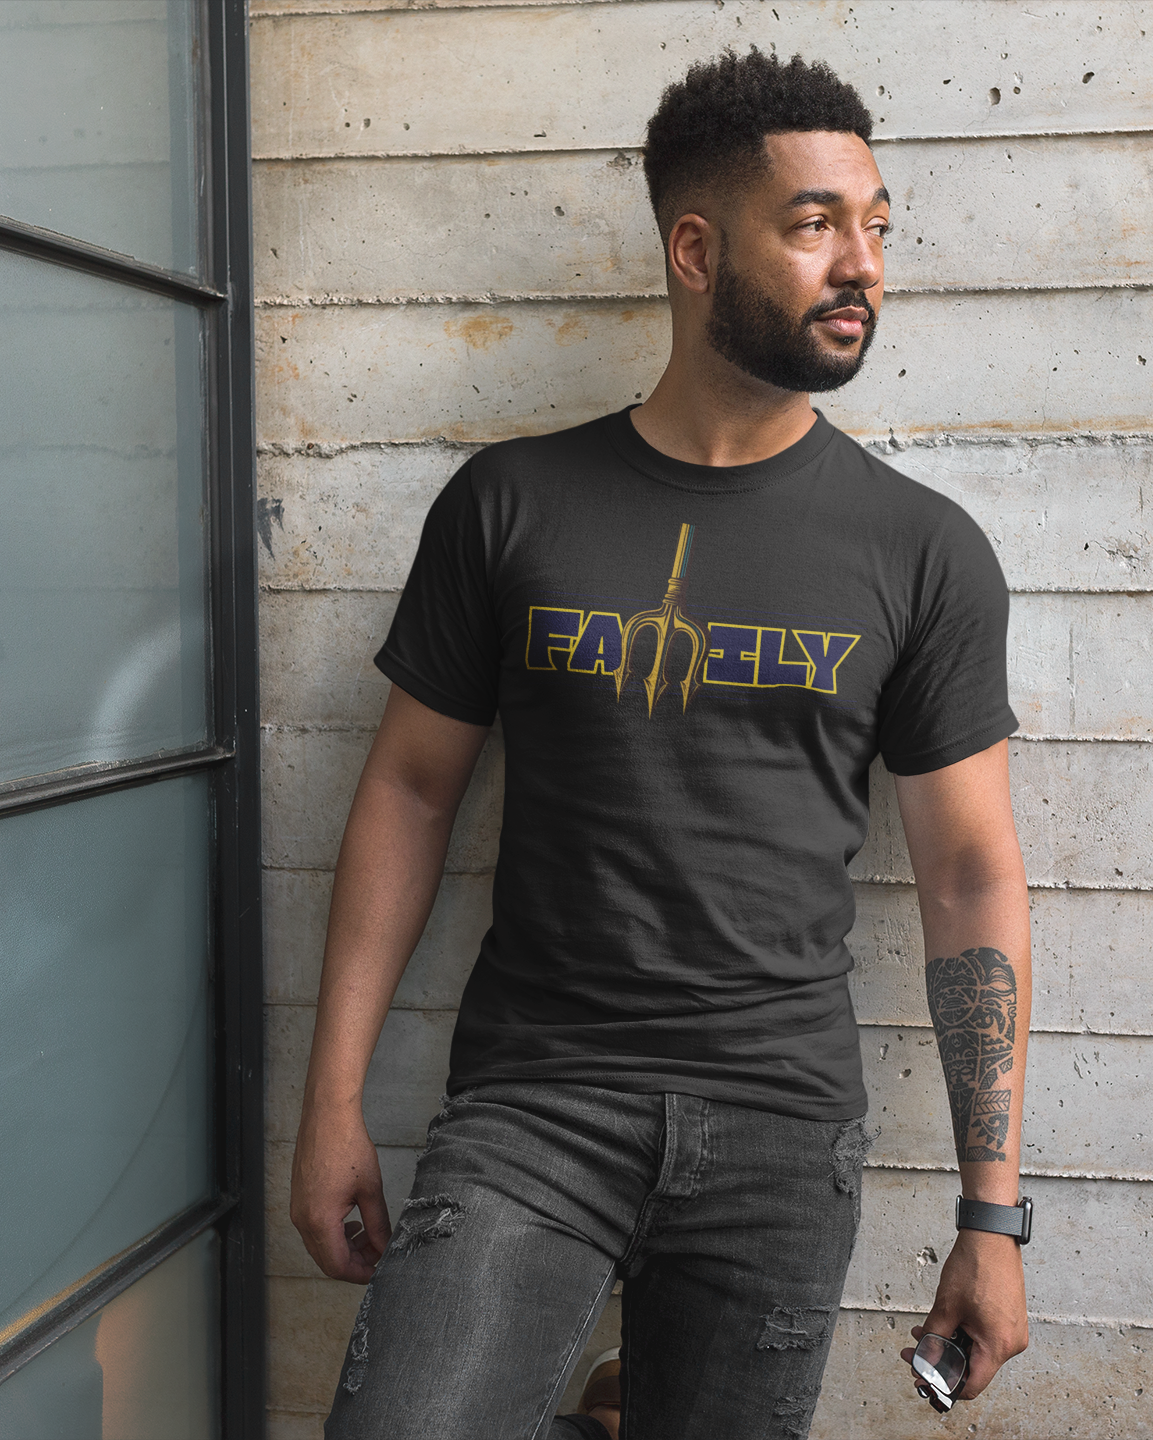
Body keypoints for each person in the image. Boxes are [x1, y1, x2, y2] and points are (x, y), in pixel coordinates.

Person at [291, 48, 1031, 1440]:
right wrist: (330, 1099)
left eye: (876, 223)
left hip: (779, 1132)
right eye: (814, 225)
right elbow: (407, 789)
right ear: (695, 250)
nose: (861, 261)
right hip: (533, 1110)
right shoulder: (511, 503)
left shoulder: (923, 552)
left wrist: (994, 1214)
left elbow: (972, 879)